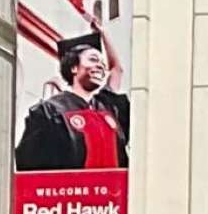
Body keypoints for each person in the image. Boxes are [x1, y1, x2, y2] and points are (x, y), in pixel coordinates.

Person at [14, 31, 130, 171]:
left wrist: (103, 33)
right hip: (74, 190)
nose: (100, 66)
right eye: (93, 59)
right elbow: (30, 165)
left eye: (102, 63)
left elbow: (117, 70)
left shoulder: (108, 107)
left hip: (114, 191)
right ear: (74, 68)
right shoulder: (50, 110)